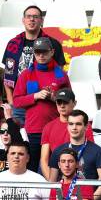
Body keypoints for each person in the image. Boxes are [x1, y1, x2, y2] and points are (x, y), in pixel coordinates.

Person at [12, 37, 70, 171]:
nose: (41, 55)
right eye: (37, 52)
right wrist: (35, 96)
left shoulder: (61, 75)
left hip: (56, 128)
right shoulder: (26, 74)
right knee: (31, 167)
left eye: (44, 52)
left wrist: (54, 98)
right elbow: (16, 101)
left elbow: (69, 101)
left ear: (52, 52)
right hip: (34, 129)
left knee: (56, 166)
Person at [1, 5, 65, 126]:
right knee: (19, 141)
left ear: (41, 21)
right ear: (23, 20)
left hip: (43, 103)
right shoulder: (13, 44)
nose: (32, 20)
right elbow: (8, 76)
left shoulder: (53, 44)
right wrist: (11, 101)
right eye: (28, 17)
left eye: (35, 17)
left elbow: (60, 75)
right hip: (19, 103)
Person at [39, 87, 95, 176]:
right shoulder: (48, 127)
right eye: (59, 102)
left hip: (79, 168)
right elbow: (44, 159)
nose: (62, 105)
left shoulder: (83, 124)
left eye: (65, 102)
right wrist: (52, 183)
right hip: (57, 170)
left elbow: (90, 152)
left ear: (74, 103)